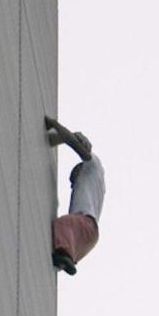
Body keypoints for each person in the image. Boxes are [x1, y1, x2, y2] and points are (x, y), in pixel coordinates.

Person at [46, 116, 105, 275]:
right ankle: (64, 259)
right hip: (87, 239)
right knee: (61, 248)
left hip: (86, 225)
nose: (73, 184)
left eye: (73, 178)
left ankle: (65, 257)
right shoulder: (96, 185)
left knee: (62, 224)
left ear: (80, 169)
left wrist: (53, 124)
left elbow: (73, 142)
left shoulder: (92, 166)